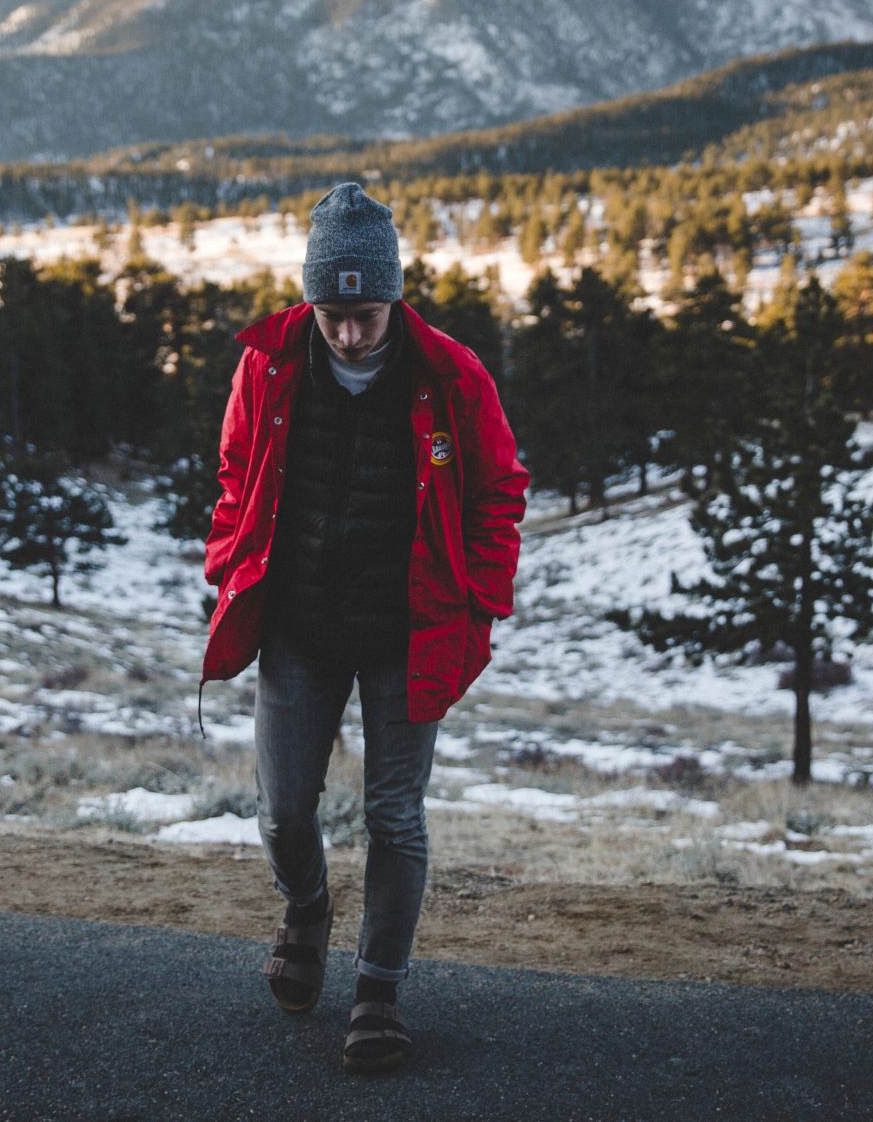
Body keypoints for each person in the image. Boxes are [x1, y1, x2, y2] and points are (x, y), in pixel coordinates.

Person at [200, 182, 529, 1075]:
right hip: (299, 627)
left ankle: (378, 988)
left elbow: (502, 490)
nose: (348, 332)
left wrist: (481, 597)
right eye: (333, 313)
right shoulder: (267, 365)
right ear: (312, 299)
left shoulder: (453, 375)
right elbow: (237, 470)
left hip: (406, 631)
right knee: (279, 811)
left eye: (366, 313)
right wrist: (228, 561)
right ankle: (306, 905)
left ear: (395, 298)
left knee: (395, 814)